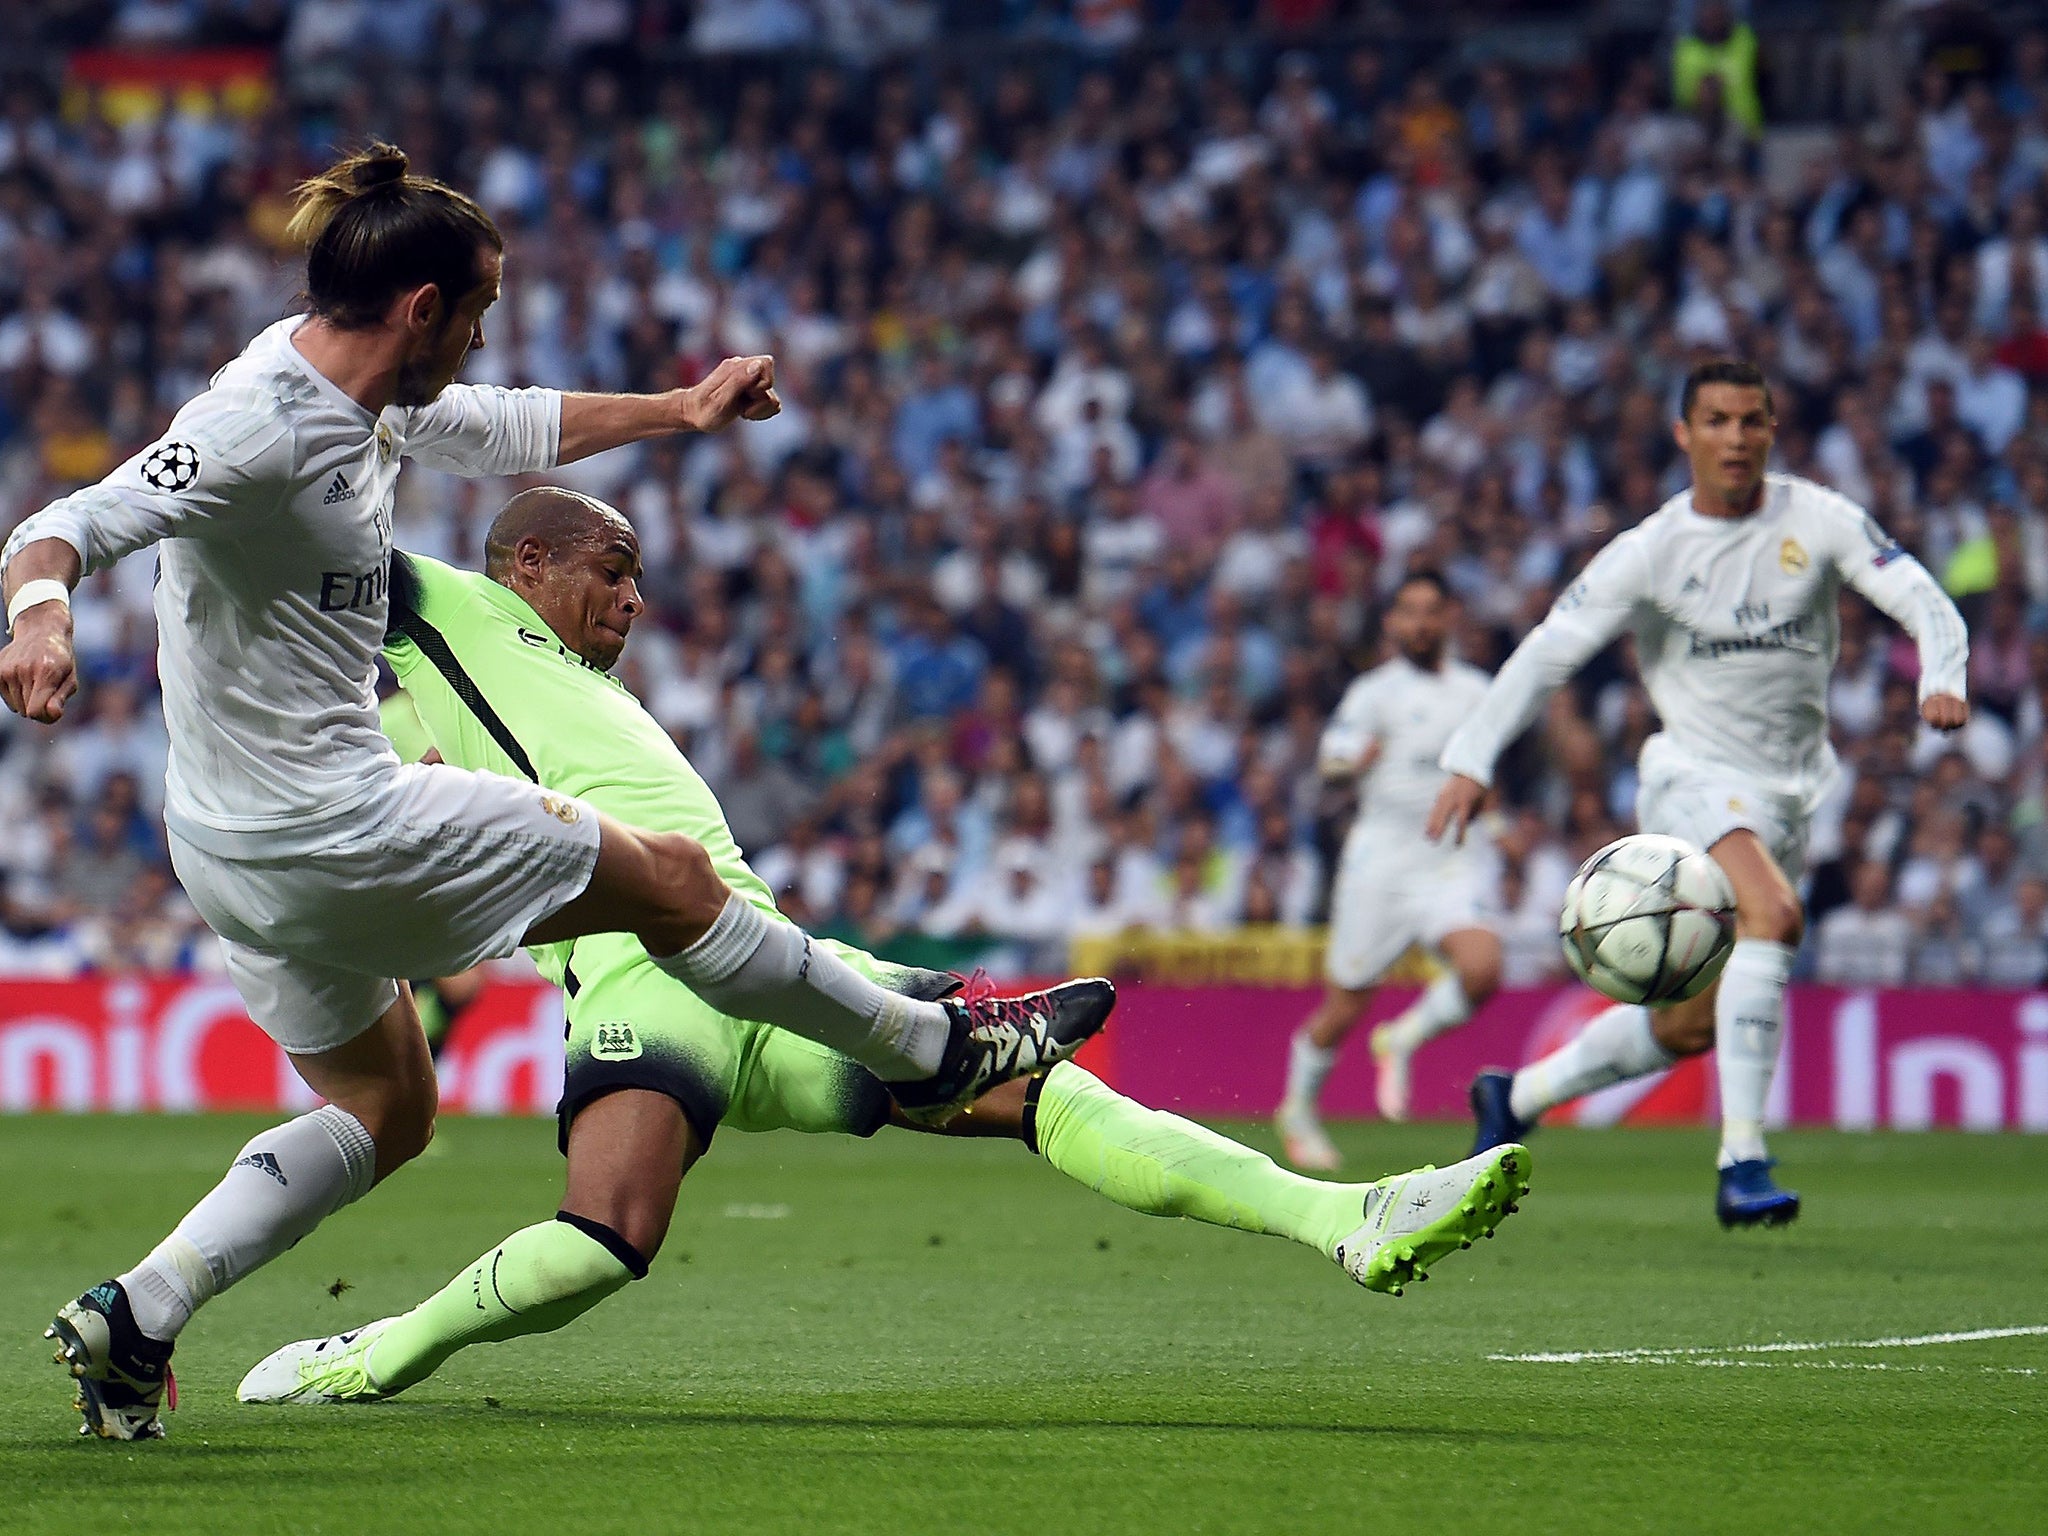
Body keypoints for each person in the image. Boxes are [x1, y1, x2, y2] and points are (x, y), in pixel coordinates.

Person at [2, 146, 1108, 1442]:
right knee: (678, 883)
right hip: (338, 827)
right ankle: (934, 1048)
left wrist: (678, 409)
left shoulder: (358, 390)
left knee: (386, 1109)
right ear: (421, 308)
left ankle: (139, 1316)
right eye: (476, 312)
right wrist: (39, 619)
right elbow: (71, 519)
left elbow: (504, 424)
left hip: (230, 852)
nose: (482, 336)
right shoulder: (258, 422)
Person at [232, 489, 1534, 1405]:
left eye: (638, 578)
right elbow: (318, 535)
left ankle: (1345, 1216)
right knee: (609, 1236)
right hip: (647, 982)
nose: (631, 595)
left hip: (780, 964)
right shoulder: (456, 611)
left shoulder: (586, 692)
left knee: (1041, 1093)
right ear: (524, 565)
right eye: (607, 570)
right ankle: (380, 1353)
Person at [1428, 358, 1970, 1228]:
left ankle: (1514, 1094)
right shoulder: (1652, 550)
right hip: (1691, 781)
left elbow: (1917, 592)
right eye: (1716, 421)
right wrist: (1472, 754)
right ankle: (1743, 1161)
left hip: (1791, 792)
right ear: (1685, 434)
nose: (1736, 438)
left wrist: (1943, 672)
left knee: (1689, 1026)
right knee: (1776, 916)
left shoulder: (1819, 519)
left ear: (1771, 431)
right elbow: (1549, 649)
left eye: (1751, 421)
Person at [1273, 571, 1503, 1169]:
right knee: (1347, 1002)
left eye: (1432, 610)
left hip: (1451, 856)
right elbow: (1332, 758)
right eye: (1410, 612)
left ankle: (1402, 1038)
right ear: (1393, 623)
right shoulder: (1373, 692)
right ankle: (1298, 1109)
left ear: (1450, 616)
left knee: (1482, 969)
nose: (1421, 623)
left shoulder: (1479, 691)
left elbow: (1486, 774)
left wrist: (1498, 823)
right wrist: (1351, 761)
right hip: (1383, 858)